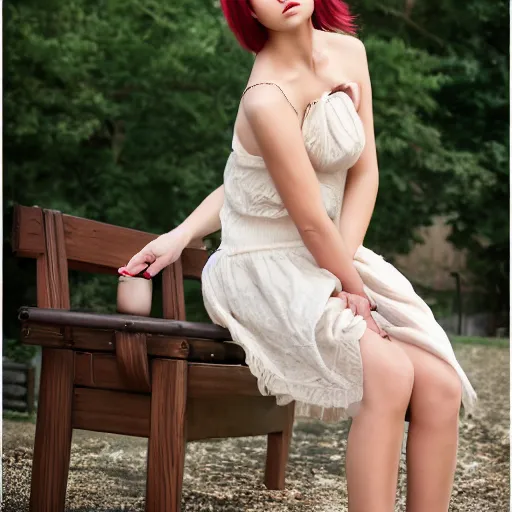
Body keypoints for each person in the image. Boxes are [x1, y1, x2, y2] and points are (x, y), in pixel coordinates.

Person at [119, 1, 477, 510]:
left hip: (329, 253)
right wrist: (347, 285)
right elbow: (304, 217)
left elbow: (365, 174)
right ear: (246, 9)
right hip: (266, 267)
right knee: (391, 373)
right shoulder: (266, 96)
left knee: (440, 385)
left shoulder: (350, 53)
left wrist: (345, 269)